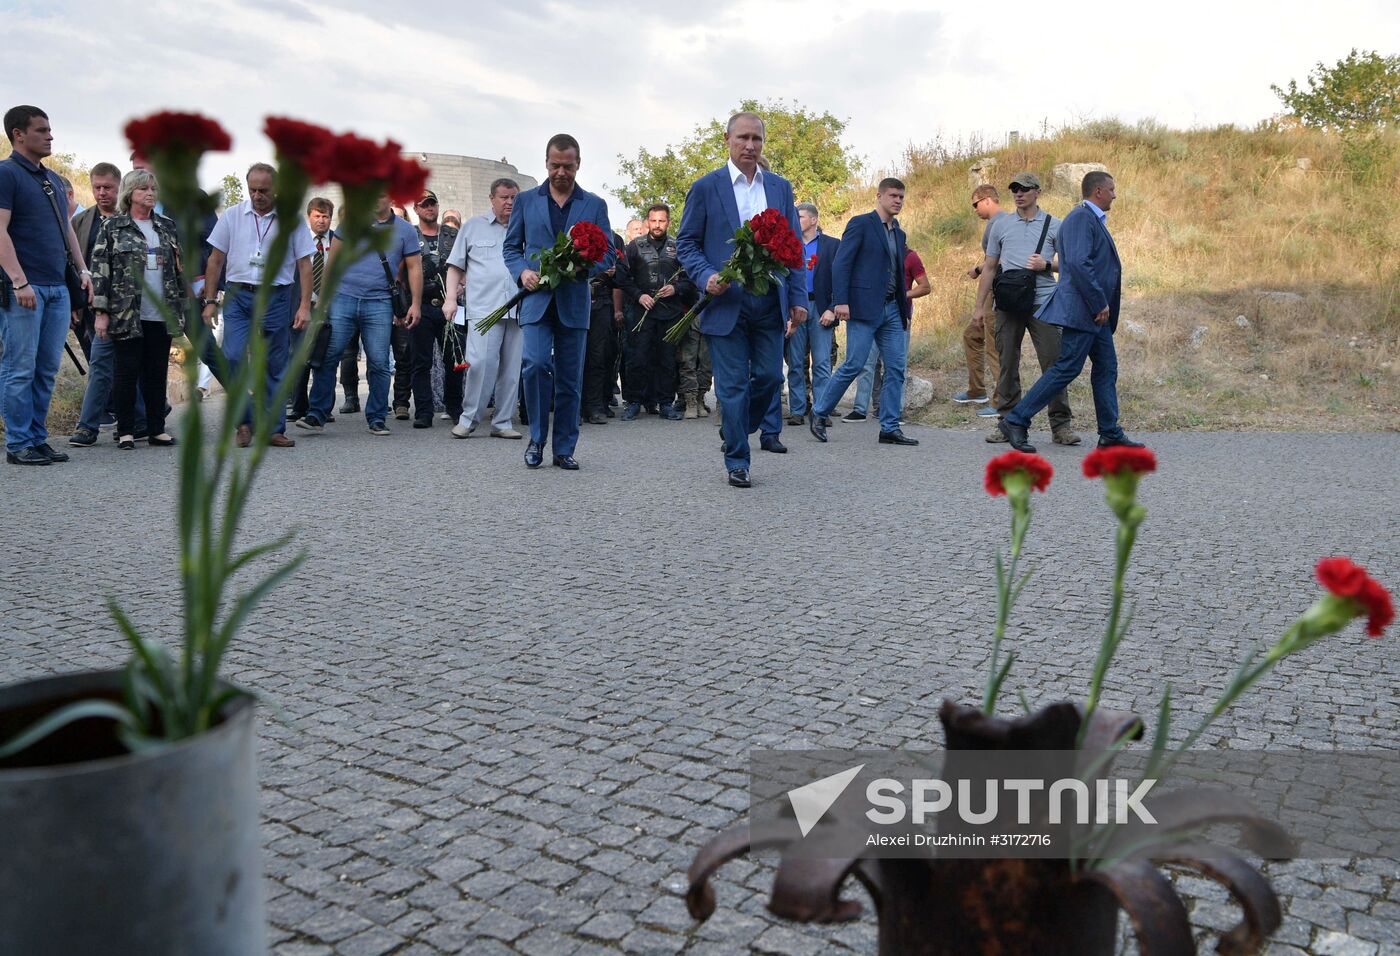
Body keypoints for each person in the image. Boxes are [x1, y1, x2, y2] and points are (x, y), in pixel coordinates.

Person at [676, 111, 807, 487]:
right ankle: (738, 459)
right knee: (731, 386)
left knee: (768, 377)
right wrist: (706, 276)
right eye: (743, 138)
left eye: (757, 139)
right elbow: (686, 243)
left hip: (768, 301)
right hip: (725, 303)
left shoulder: (780, 188)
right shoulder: (706, 187)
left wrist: (798, 297)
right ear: (727, 140)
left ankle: (736, 426)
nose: (750, 146)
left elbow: (793, 247)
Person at [1000, 172, 1143, 453]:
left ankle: (1110, 433)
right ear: (1098, 191)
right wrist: (1098, 301)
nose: (1115, 194)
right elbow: (1077, 263)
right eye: (1112, 189)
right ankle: (1016, 419)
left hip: (1094, 313)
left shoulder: (1091, 220)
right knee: (1067, 367)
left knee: (1106, 368)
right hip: (1085, 310)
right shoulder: (1080, 218)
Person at [503, 133, 611, 471]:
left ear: (578, 164)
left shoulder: (594, 205)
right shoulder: (525, 201)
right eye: (554, 165)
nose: (561, 172)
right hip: (536, 301)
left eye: (567, 166)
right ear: (546, 163)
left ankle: (564, 447)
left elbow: (608, 255)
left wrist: (582, 266)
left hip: (574, 302)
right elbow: (511, 248)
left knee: (569, 378)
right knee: (534, 365)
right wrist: (522, 272)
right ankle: (537, 438)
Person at [0, 104, 93, 466]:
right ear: (18, 134)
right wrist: (18, 281)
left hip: (56, 288)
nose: (50, 136)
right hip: (25, 289)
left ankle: (37, 439)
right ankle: (19, 442)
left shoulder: (51, 180)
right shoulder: (7, 174)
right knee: (19, 367)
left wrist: (82, 270)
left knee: (45, 369)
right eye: (41, 130)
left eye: (50, 129)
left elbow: (67, 228)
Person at [200, 162, 314, 448]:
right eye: (253, 190)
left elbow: (304, 264)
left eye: (264, 190)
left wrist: (304, 306)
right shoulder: (232, 216)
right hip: (239, 296)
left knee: (274, 364)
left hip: (276, 297)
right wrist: (210, 301)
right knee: (234, 356)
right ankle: (244, 422)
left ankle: (274, 429)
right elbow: (215, 260)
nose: (258, 195)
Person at [298, 193, 421, 436]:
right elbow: (332, 262)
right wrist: (322, 302)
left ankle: (376, 417)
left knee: (379, 362)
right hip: (343, 298)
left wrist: (415, 304)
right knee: (328, 355)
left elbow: (414, 267)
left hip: (380, 302)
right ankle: (316, 414)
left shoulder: (405, 230)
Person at [808, 178, 917, 446]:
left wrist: (903, 308)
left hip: (892, 309)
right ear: (879, 196)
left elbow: (896, 272)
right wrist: (840, 301)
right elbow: (841, 264)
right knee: (854, 364)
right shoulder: (861, 223)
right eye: (893, 196)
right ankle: (819, 412)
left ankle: (889, 427)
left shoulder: (898, 233)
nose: (898, 201)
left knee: (896, 368)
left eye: (901, 197)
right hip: (863, 307)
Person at [976, 172, 1078, 448]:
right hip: (1008, 304)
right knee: (1007, 363)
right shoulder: (1001, 225)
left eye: (1024, 189)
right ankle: (1007, 422)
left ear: (1037, 192)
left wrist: (1046, 265)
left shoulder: (1055, 225)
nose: (1018, 194)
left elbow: (1071, 264)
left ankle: (1061, 426)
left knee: (1054, 364)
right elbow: (989, 267)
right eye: (1015, 190)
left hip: (1044, 302)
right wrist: (979, 307)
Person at [89, 170, 182, 449]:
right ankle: (127, 431)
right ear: (130, 193)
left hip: (160, 312)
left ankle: (157, 429)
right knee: (126, 371)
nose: (150, 194)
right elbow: (100, 271)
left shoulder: (166, 226)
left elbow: (177, 273)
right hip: (126, 312)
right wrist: (101, 312)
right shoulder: (113, 226)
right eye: (143, 189)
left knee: (156, 372)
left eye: (153, 188)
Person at [446, 177, 524, 440]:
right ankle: (469, 419)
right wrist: (450, 299)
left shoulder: (526, 227)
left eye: (514, 197)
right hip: (484, 308)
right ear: (491, 199)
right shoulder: (472, 227)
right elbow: (455, 266)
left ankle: (502, 421)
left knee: (512, 369)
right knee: (480, 365)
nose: (509, 202)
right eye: (504, 197)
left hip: (519, 308)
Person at [69, 162, 131, 447]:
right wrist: (75, 302)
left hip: (130, 306)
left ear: (120, 188)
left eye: (108, 187)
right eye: (97, 187)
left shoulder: (133, 220)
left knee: (130, 366)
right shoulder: (80, 223)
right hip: (94, 306)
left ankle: (137, 418)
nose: (102, 193)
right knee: (100, 363)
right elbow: (70, 262)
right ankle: (87, 427)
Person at [617, 203, 695, 422]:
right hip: (641, 311)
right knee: (637, 358)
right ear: (647, 222)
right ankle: (634, 402)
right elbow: (622, 278)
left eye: (662, 221)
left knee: (667, 360)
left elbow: (691, 280)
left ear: (668, 222)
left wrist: (676, 288)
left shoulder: (678, 247)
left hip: (670, 313)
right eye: (653, 220)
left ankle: (665, 403)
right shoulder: (634, 246)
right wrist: (638, 295)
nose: (657, 225)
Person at [845, 242, 930, 423]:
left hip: (898, 317)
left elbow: (925, 286)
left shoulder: (910, 257)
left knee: (896, 366)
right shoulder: (874, 257)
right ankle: (861, 409)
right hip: (871, 315)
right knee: (867, 363)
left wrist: (902, 295)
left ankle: (894, 411)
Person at [408, 189, 461, 428]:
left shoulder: (452, 234)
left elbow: (466, 263)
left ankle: (454, 407)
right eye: (424, 205)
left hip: (449, 305)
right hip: (422, 304)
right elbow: (401, 270)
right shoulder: (409, 235)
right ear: (416, 209)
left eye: (433, 204)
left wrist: (461, 287)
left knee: (454, 360)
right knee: (421, 362)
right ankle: (423, 411)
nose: (430, 208)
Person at [785, 201, 839, 427]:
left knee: (822, 362)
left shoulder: (832, 245)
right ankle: (797, 409)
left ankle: (821, 411)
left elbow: (842, 279)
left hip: (821, 306)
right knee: (796, 362)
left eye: (801, 217)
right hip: (796, 306)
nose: (797, 221)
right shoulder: (789, 245)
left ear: (814, 220)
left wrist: (833, 308)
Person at [957, 183, 1008, 416]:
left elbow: (996, 265)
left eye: (975, 204)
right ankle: (977, 390)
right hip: (993, 289)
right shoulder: (1000, 223)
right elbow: (995, 259)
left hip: (998, 293)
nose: (975, 209)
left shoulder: (999, 223)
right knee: (972, 336)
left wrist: (979, 305)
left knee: (994, 346)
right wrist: (978, 269)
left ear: (987, 200)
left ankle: (1002, 402)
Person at [288, 197, 333, 422]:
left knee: (325, 357)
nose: (321, 221)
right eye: (317, 216)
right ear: (309, 217)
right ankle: (298, 406)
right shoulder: (298, 239)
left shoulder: (337, 241)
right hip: (302, 305)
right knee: (299, 356)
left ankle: (323, 408)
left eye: (325, 216)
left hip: (329, 307)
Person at [582, 227, 628, 424]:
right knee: (573, 356)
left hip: (601, 301)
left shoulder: (613, 238)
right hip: (576, 298)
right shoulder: (573, 233)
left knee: (598, 355)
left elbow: (624, 274)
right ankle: (573, 407)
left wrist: (614, 271)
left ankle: (595, 405)